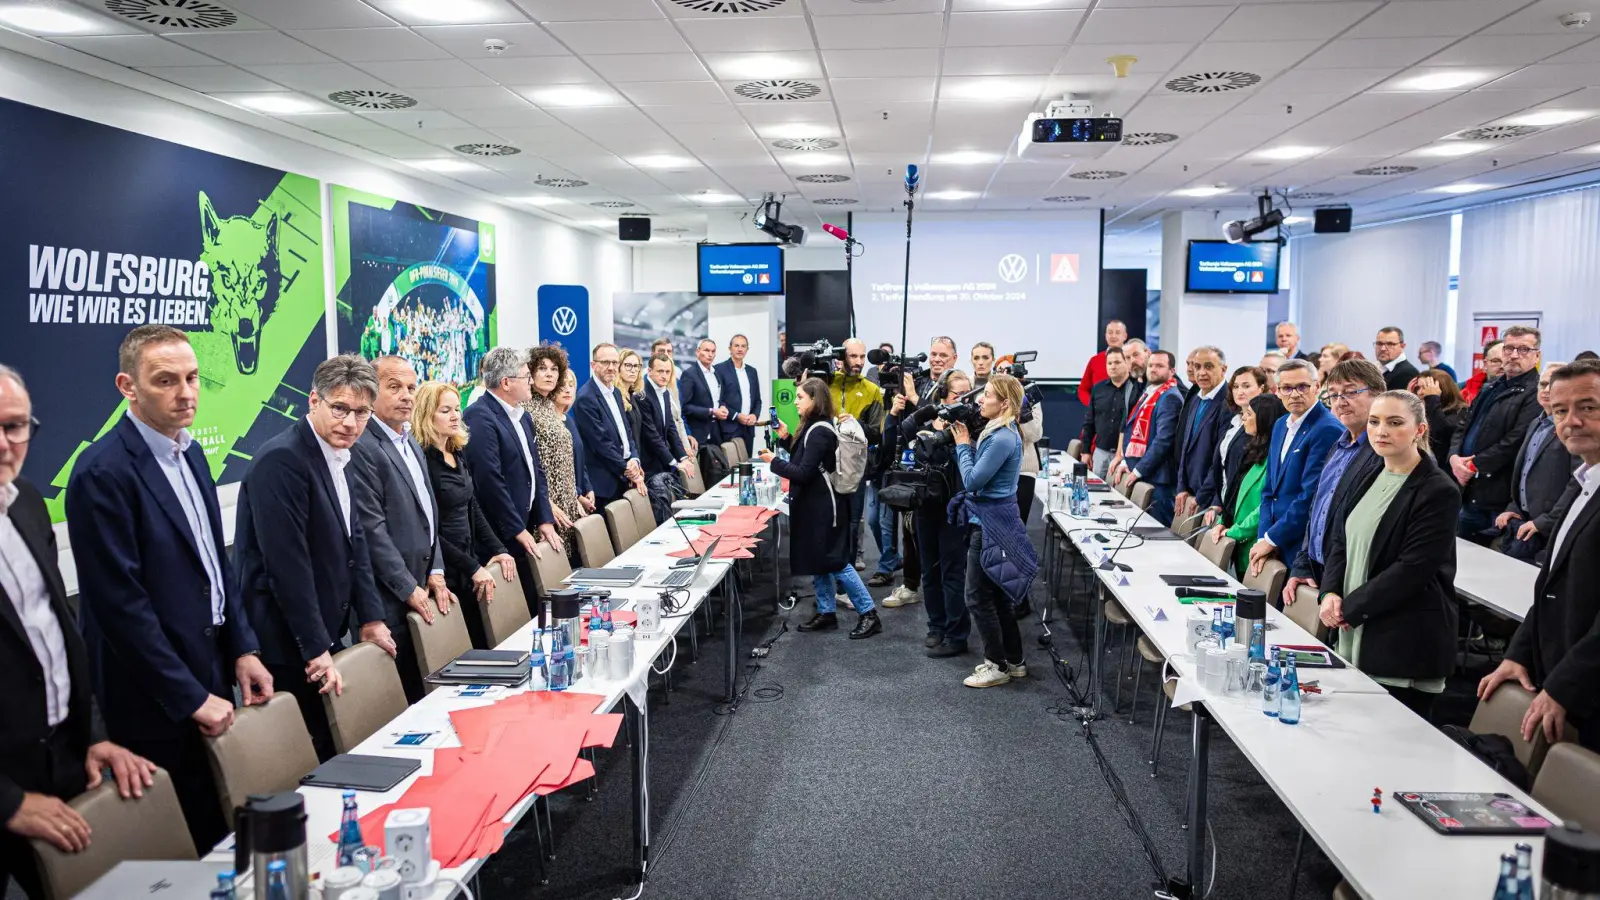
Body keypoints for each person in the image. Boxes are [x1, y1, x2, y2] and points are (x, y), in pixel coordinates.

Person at [65, 326, 271, 853]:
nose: (186, 392)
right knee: (178, 843)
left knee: (223, 823)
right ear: (127, 386)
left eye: (193, 378)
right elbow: (120, 607)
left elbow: (214, 566)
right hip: (151, 690)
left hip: (206, 665)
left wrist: (241, 647)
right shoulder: (102, 472)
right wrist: (189, 696)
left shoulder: (192, 453)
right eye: (165, 380)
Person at [0, 364, 159, 899]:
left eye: (16, 426)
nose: (5, 444)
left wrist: (92, 735)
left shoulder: (23, 502)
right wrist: (8, 801)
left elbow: (58, 636)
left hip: (62, 763)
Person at [236, 354, 388, 761]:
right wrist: (316, 647)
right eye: (339, 408)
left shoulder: (342, 452)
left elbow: (357, 542)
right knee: (305, 755)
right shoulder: (282, 460)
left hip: (321, 626)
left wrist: (371, 617)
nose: (350, 423)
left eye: (361, 413)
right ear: (313, 401)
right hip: (285, 639)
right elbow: (287, 567)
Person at [1479, 359, 1600, 751]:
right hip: (1560, 677)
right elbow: (1551, 588)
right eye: (1561, 410)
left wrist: (1565, 687)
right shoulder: (1584, 483)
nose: (1571, 421)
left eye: (1588, 407)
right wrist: (1519, 654)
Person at [1320, 391, 1460, 720]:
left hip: (1402, 635)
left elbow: (1412, 570)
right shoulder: (1371, 472)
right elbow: (1340, 537)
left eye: (1395, 423)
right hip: (1355, 622)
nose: (1381, 431)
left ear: (1419, 430)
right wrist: (1329, 593)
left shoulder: (1438, 490)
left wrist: (1347, 609)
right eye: (1375, 421)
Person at [349, 356, 449, 704]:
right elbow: (370, 529)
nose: (407, 396)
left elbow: (428, 515)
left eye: (411, 387)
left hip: (423, 584)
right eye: (395, 387)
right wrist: (408, 586)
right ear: (371, 392)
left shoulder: (409, 440)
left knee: (428, 688)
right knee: (398, 699)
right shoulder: (362, 446)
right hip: (388, 596)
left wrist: (435, 569)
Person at [758, 378, 880, 640]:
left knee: (835, 561)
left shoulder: (820, 430)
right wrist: (787, 438)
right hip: (816, 504)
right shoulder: (814, 428)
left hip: (824, 507)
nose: (795, 401)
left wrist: (773, 461)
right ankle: (826, 611)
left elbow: (802, 472)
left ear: (815, 400)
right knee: (820, 560)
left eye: (800, 397)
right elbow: (806, 459)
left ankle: (869, 613)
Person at [461, 347, 563, 620]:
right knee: (509, 616)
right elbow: (489, 480)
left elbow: (536, 471)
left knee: (534, 607)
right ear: (506, 383)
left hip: (525, 527)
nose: (531, 381)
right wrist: (517, 528)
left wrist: (543, 517)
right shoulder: (478, 416)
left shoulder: (522, 416)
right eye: (525, 376)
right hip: (499, 534)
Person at [415, 382, 516, 650]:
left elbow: (473, 507)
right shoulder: (422, 461)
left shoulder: (456, 452)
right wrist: (471, 567)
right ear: (427, 415)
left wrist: (498, 548)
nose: (455, 416)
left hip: (470, 560)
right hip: (445, 568)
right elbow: (428, 531)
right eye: (445, 410)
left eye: (457, 409)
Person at [950, 374, 1036, 688]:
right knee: (998, 597)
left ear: (1004, 403)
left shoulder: (1002, 437)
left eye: (986, 395)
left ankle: (997, 665)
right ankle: (1014, 661)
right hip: (996, 519)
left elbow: (973, 481)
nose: (980, 400)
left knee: (976, 596)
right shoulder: (1000, 431)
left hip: (990, 524)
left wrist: (962, 447)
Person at [1283, 359, 1387, 601]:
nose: (1341, 401)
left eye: (1351, 392)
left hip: (1354, 581)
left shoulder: (1383, 455)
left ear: (1379, 395)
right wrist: (1303, 564)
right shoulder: (1339, 446)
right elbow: (1318, 510)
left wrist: (1333, 583)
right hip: (1320, 571)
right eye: (1334, 394)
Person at [1246, 359, 1344, 578]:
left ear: (1317, 387)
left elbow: (1311, 496)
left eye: (1302, 386)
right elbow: (1269, 489)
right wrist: (1264, 536)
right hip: (1273, 538)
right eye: (1287, 388)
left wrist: (1273, 538)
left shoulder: (1327, 428)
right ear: (1277, 392)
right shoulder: (1281, 424)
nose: (1295, 394)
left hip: (1299, 545)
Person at [902, 370, 973, 655]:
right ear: (944, 396)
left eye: (970, 395)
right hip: (926, 506)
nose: (966, 401)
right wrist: (929, 415)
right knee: (929, 570)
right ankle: (936, 626)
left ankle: (957, 635)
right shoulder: (928, 422)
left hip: (955, 507)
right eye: (959, 395)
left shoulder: (971, 426)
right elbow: (904, 433)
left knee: (953, 573)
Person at [1451, 325, 1543, 543]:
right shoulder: (1490, 387)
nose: (1513, 355)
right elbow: (1463, 426)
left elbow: (1516, 441)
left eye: (1523, 350)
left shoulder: (1535, 392)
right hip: (1468, 487)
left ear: (1536, 355)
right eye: (1509, 348)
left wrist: (1473, 465)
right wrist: (1454, 457)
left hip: (1498, 494)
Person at [1498, 362, 1580, 562]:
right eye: (1542, 384)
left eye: (1552, 385)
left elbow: (1578, 482)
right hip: (1525, 522)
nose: (1546, 390)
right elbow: (1525, 472)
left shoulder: (1574, 428)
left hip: (1551, 528)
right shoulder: (1536, 422)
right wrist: (1513, 507)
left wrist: (1545, 522)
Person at [1210, 394, 1286, 574]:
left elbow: (1265, 506)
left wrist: (1236, 531)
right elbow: (1234, 495)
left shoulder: (1275, 458)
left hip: (1254, 543)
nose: (1243, 418)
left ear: (1264, 419)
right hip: (1237, 539)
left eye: (1249, 414)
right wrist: (1224, 522)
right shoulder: (1251, 451)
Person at [526, 345, 589, 555]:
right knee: (552, 570)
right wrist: (546, 505)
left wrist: (575, 496)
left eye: (554, 369)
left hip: (567, 502)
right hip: (548, 507)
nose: (549, 374)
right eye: (542, 368)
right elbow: (529, 467)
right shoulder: (525, 409)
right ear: (530, 373)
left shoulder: (548, 406)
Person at [830, 339, 886, 570]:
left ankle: (848, 582)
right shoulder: (824, 384)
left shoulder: (872, 390)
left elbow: (876, 433)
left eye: (862, 357)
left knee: (852, 524)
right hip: (825, 465)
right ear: (841, 357)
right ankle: (828, 583)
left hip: (855, 467)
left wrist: (856, 425)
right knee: (827, 523)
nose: (859, 362)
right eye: (853, 356)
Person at [1113, 350, 1184, 525]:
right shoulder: (1150, 392)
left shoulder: (1170, 397)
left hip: (1159, 480)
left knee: (1158, 537)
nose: (1153, 369)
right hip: (1149, 475)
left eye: (1160, 366)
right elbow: (1133, 428)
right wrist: (1126, 462)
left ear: (1172, 371)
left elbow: (1163, 441)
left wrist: (1138, 470)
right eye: (1151, 365)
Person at [575, 343, 646, 510]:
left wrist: (634, 459)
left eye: (615, 363)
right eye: (605, 362)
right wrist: (628, 469)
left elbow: (627, 433)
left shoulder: (615, 392)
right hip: (604, 484)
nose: (611, 367)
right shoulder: (586, 398)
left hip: (624, 477)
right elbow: (601, 443)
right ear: (593, 365)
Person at [1174, 346, 1230, 523]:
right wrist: (1181, 486)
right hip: (1190, 491)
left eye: (1208, 366)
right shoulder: (1196, 398)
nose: (1201, 372)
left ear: (1223, 369)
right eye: (1197, 367)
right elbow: (1185, 446)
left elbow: (1222, 458)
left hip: (1210, 496)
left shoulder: (1229, 403)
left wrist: (1205, 496)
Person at [1207, 366, 1269, 525]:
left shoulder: (1261, 425)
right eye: (1235, 386)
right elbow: (1223, 467)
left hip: (1242, 510)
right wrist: (1217, 502)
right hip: (1225, 503)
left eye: (1246, 386)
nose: (1240, 391)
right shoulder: (1234, 421)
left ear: (1262, 388)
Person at [637, 353, 695, 482]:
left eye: (668, 372)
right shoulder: (642, 394)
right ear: (650, 371)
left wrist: (683, 458)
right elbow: (652, 435)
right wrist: (674, 462)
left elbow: (671, 429)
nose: (664, 376)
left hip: (663, 460)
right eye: (660, 371)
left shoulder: (665, 392)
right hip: (649, 462)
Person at [1080, 346, 1136, 479]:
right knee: (1095, 493)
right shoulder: (1098, 389)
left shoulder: (1135, 390)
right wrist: (1085, 451)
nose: (1112, 366)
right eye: (1109, 363)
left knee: (1119, 497)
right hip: (1100, 451)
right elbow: (1089, 423)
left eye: (1117, 362)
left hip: (1125, 456)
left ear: (1127, 363)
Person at [556, 370, 596, 517]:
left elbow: (579, 460)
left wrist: (588, 488)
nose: (567, 389)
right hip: (564, 501)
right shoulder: (550, 424)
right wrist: (577, 496)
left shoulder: (568, 420)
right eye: (562, 385)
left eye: (571, 385)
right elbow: (558, 469)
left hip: (578, 494)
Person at [715, 334, 762, 455]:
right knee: (732, 466)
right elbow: (719, 400)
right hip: (729, 427)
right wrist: (736, 415)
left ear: (747, 349)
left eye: (743, 346)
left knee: (747, 464)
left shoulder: (752, 371)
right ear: (730, 348)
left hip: (748, 428)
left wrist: (754, 415)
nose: (740, 349)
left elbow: (757, 400)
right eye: (736, 346)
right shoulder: (719, 369)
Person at [650, 337, 696, 455]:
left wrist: (687, 434)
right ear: (652, 354)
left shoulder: (676, 379)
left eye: (669, 351)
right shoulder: (644, 381)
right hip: (660, 444)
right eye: (661, 351)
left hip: (675, 440)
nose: (666, 354)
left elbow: (679, 414)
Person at [1413, 368, 1467, 465]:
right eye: (1418, 388)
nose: (1420, 392)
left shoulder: (1460, 412)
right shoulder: (1424, 410)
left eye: (1425, 387)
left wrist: (1432, 398)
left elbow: (1440, 433)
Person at [679, 338, 726, 447]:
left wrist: (723, 406)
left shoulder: (716, 373)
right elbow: (685, 407)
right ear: (698, 352)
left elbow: (720, 398)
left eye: (713, 351)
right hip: (698, 434)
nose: (710, 354)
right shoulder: (689, 374)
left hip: (717, 431)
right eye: (706, 350)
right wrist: (711, 411)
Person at [1077, 319, 1129, 405]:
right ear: (1105, 335)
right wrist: (1093, 405)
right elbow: (1083, 389)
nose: (1113, 336)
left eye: (1117, 332)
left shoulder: (1130, 359)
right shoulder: (1095, 360)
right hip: (1100, 415)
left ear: (1125, 336)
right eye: (1110, 332)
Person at [1374, 326, 1419, 391]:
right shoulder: (1375, 367)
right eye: (1379, 343)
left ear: (1402, 346)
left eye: (1390, 344)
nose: (1383, 348)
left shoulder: (1407, 373)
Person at [1462, 339, 1504, 404]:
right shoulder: (1463, 390)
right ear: (1485, 364)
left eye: (1507, 361)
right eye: (1496, 361)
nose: (1502, 366)